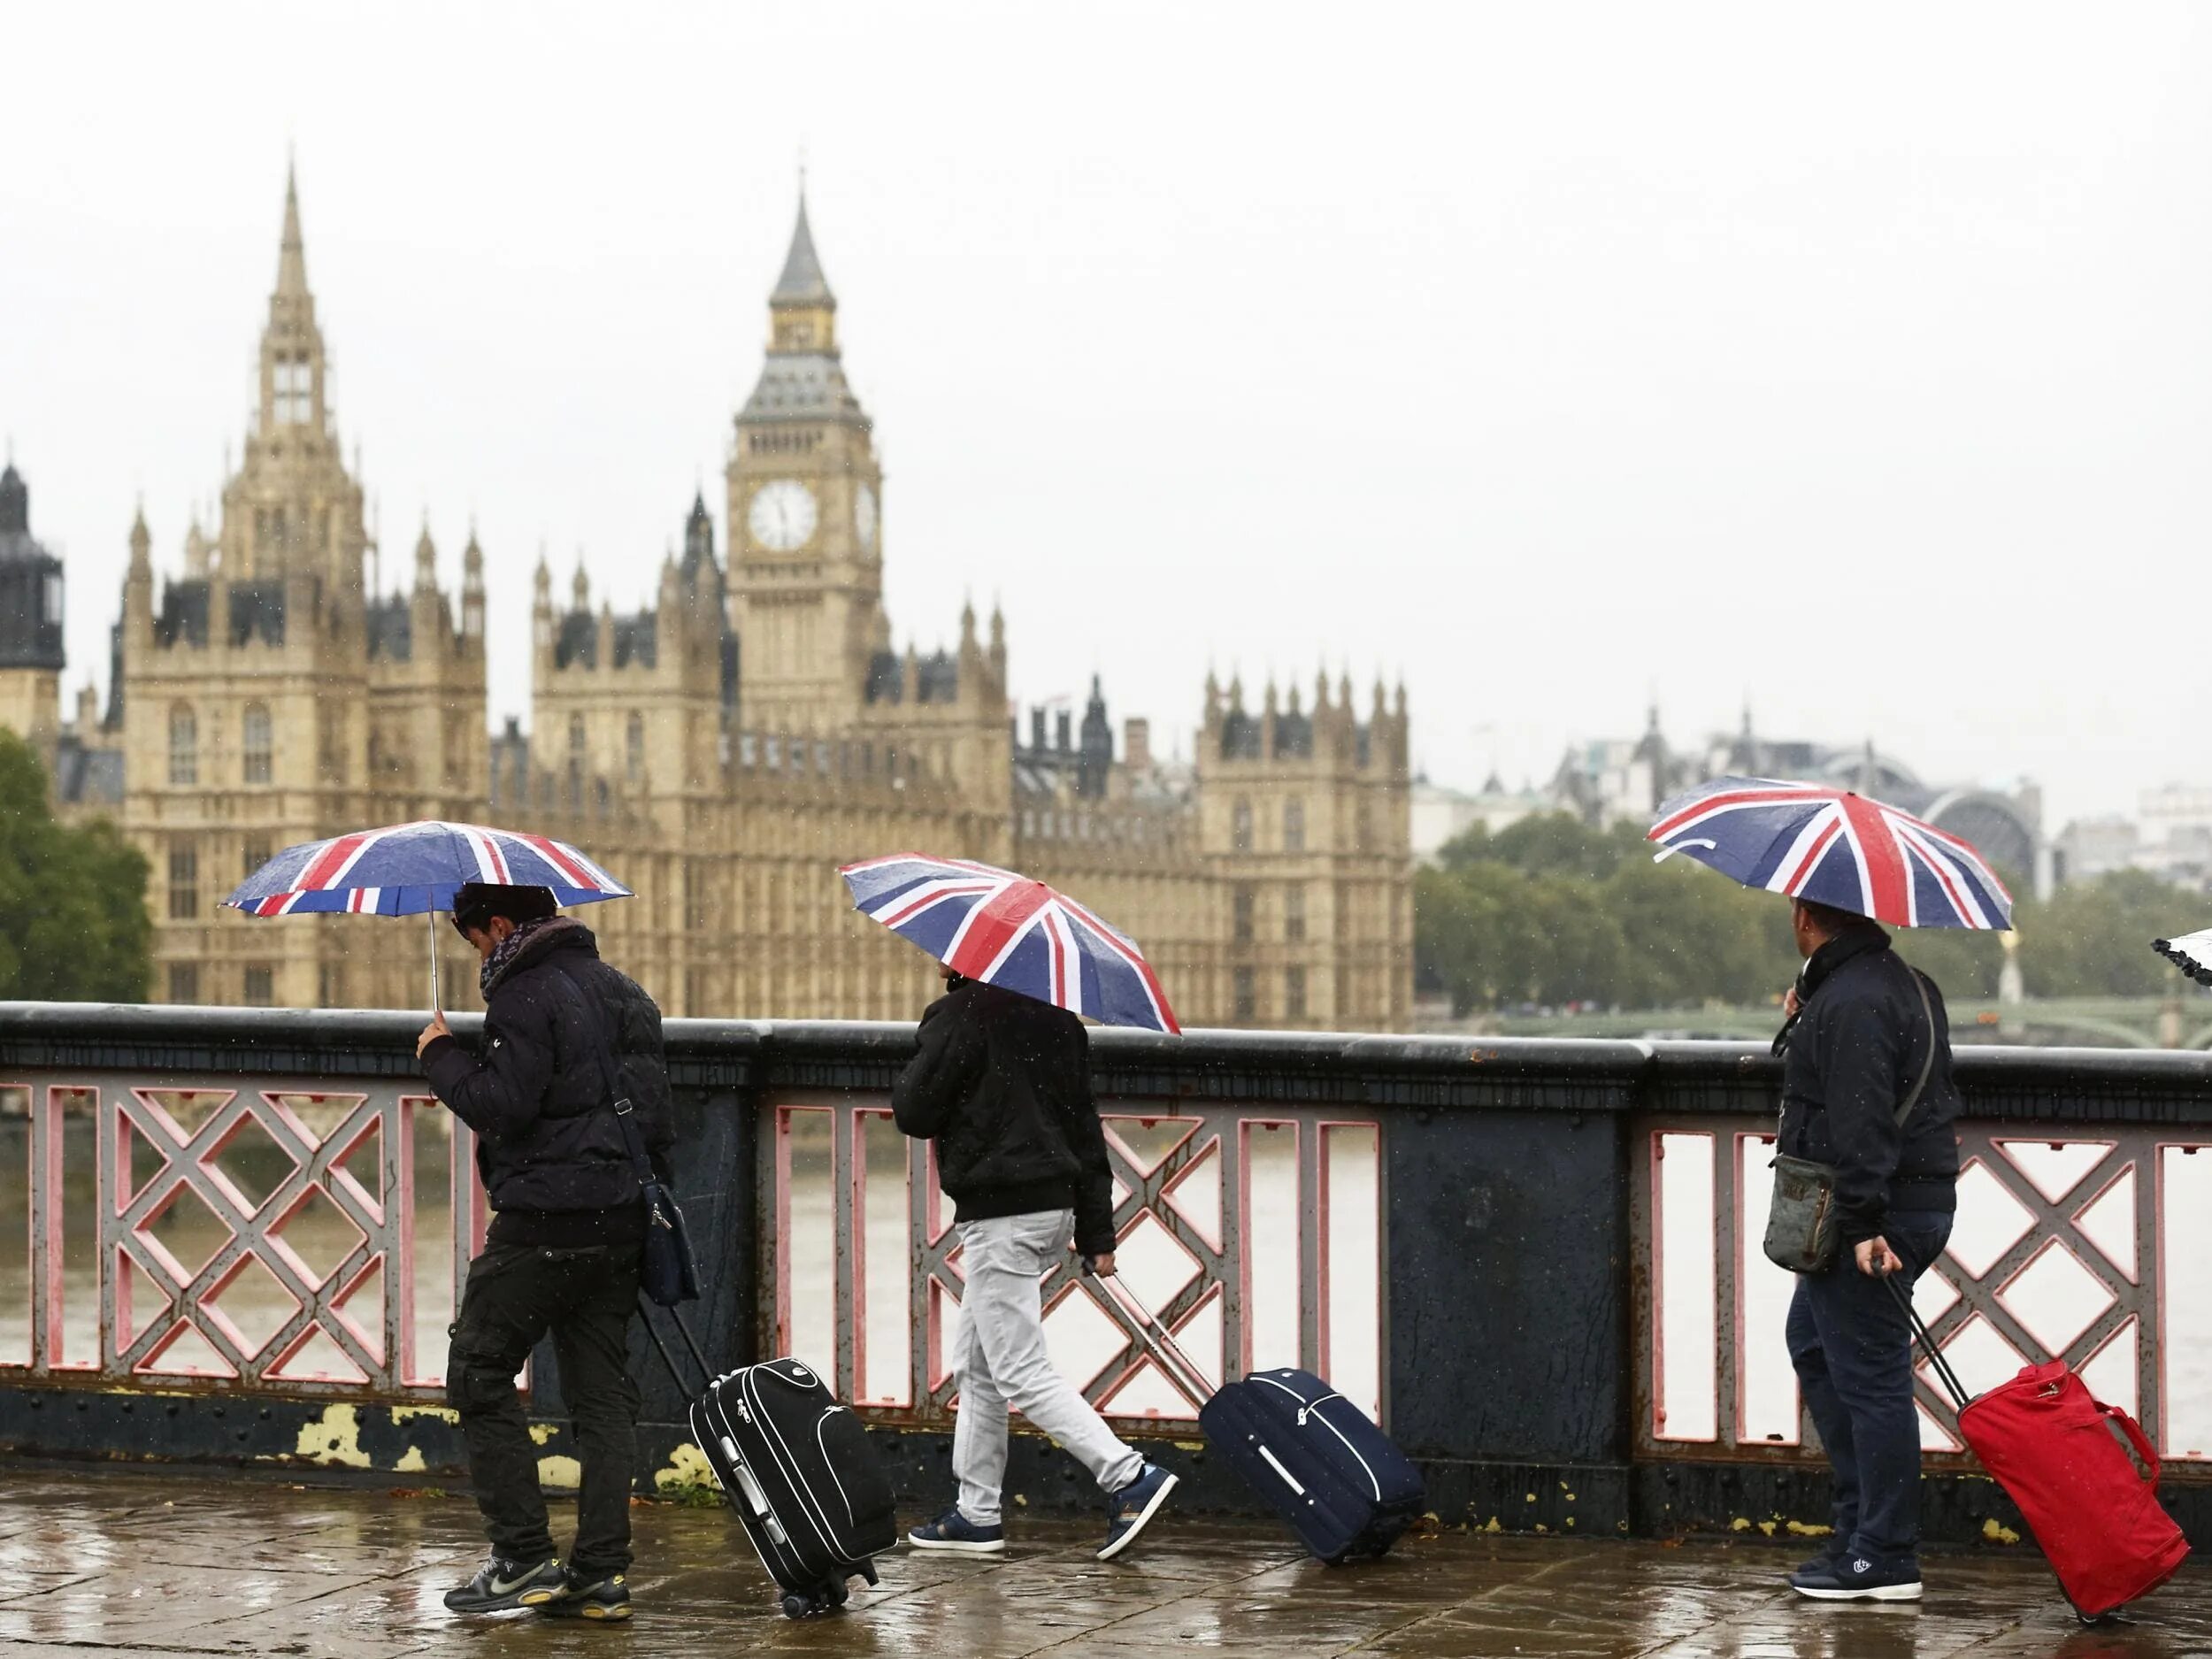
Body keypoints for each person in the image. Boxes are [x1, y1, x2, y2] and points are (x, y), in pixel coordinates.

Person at [416, 881, 673, 1623]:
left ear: (498, 925)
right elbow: (658, 1118)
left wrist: (441, 1058)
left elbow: (502, 1105)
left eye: (475, 941)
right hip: (621, 1218)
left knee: (478, 1366)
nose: (478, 958)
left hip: (545, 1221)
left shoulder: (524, 995)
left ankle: (522, 1553)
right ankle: (600, 1572)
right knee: (600, 1393)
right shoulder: (629, 993)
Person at [892, 964, 1178, 1561]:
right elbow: (1084, 1132)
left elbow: (914, 1111)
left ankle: (1127, 1474)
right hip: (1053, 1209)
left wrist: (935, 1039)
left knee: (1020, 1369)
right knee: (979, 1366)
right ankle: (976, 1513)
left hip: (1000, 1215)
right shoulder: (1059, 1021)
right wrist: (1100, 1232)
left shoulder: (961, 1014)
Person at [1775, 897, 1959, 1603]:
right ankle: (1860, 1529)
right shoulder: (1899, 983)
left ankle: (1884, 1552)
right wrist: (1806, 1010)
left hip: (1873, 1215)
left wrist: (1860, 1226)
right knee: (1817, 1345)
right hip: (1905, 1199)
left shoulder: (1854, 1000)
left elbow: (1862, 1121)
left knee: (1873, 1379)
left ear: (1805, 915)